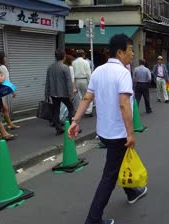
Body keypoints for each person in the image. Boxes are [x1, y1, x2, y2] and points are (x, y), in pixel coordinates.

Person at [68, 34, 147, 224]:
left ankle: (132, 192)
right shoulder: (122, 73)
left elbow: (87, 98)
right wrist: (130, 133)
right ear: (120, 52)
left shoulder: (98, 71)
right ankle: (93, 219)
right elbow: (124, 105)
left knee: (117, 162)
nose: (132, 53)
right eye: (130, 49)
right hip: (118, 133)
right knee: (109, 176)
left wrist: (75, 120)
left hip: (104, 132)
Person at [45, 50, 75, 136]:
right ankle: (72, 127)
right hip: (64, 93)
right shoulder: (65, 67)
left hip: (53, 93)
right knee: (71, 109)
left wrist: (47, 93)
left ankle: (58, 129)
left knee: (56, 111)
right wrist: (71, 94)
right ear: (64, 57)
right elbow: (69, 82)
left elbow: (47, 81)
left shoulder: (50, 67)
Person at [0, 51, 20, 130]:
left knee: (4, 108)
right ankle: (9, 125)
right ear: (1, 58)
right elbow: (6, 81)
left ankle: (9, 124)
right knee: (4, 109)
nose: (6, 58)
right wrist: (13, 91)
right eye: (4, 56)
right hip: (1, 92)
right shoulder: (2, 67)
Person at [73, 50, 93, 117]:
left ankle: (80, 110)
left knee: (79, 96)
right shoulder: (85, 62)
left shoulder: (74, 62)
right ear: (83, 55)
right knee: (88, 96)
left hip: (77, 80)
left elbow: (73, 73)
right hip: (84, 80)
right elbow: (88, 73)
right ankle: (88, 111)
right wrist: (90, 81)